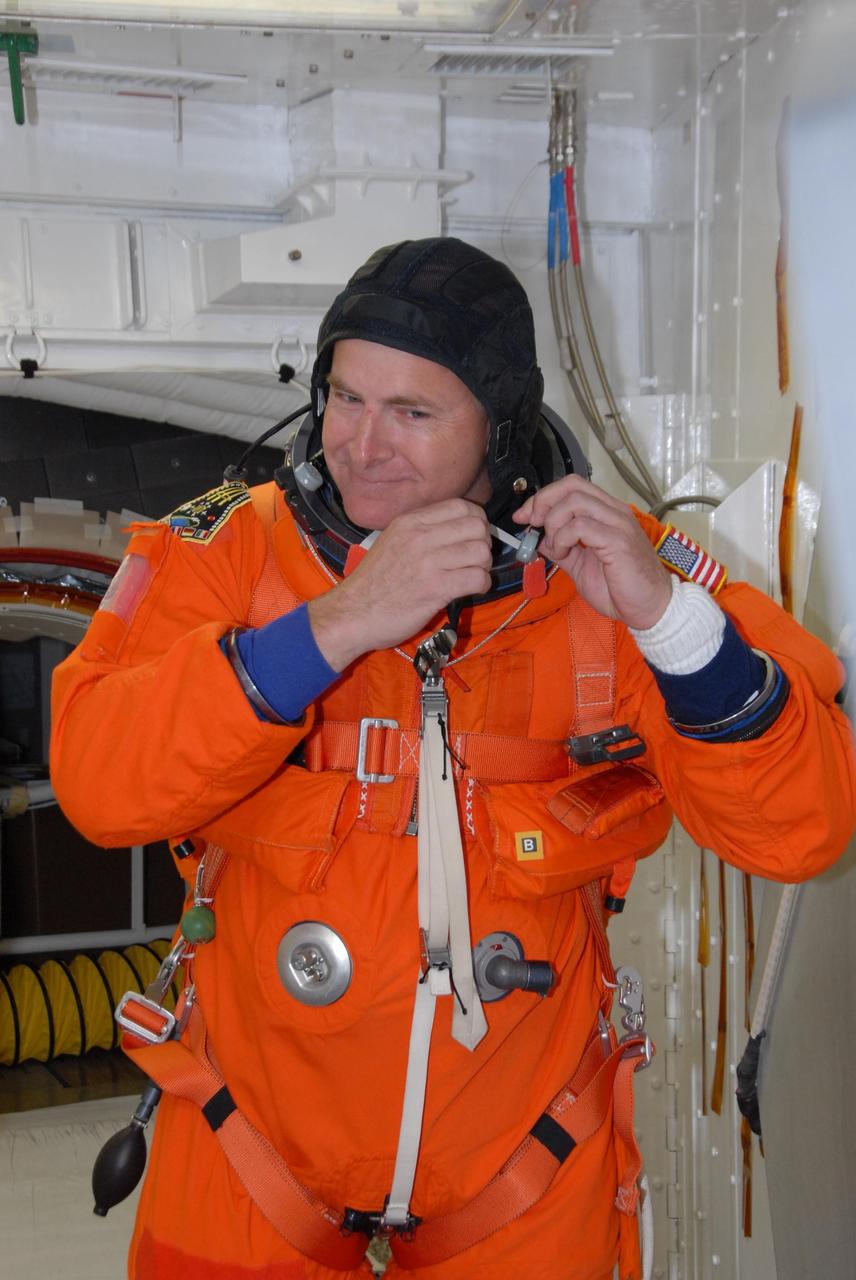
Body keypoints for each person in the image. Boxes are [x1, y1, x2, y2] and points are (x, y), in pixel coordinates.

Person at [51, 238, 855, 1280]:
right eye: (346, 399)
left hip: (523, 1181)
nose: (362, 445)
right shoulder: (227, 552)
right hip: (245, 1162)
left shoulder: (608, 573)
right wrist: (334, 626)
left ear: (500, 425)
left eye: (413, 412)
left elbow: (799, 832)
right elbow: (100, 782)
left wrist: (670, 626)